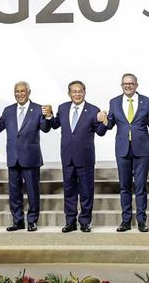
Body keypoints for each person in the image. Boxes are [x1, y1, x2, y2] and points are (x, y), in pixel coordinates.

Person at [45, 80, 108, 233]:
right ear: (69, 93)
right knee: (69, 191)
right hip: (67, 157)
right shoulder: (63, 107)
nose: (77, 94)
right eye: (74, 91)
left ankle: (85, 222)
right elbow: (55, 124)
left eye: (80, 91)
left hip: (85, 158)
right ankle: (70, 222)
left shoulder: (93, 110)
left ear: (84, 92)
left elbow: (100, 132)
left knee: (86, 191)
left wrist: (104, 121)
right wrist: (48, 116)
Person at [0, 81, 51, 232]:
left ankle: (32, 221)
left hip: (31, 158)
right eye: (16, 91)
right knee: (14, 192)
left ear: (29, 92)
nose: (19, 94)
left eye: (22, 91)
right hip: (13, 158)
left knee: (32, 191)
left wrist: (48, 116)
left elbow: (45, 129)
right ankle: (17, 221)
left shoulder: (39, 109)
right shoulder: (8, 110)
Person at [102, 73, 149, 233]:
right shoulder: (114, 102)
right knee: (124, 186)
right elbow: (110, 124)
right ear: (121, 85)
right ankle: (125, 221)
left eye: (131, 83)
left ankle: (141, 221)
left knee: (140, 186)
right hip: (122, 149)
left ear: (136, 85)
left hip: (141, 149)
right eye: (125, 83)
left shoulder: (147, 101)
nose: (128, 86)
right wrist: (104, 120)